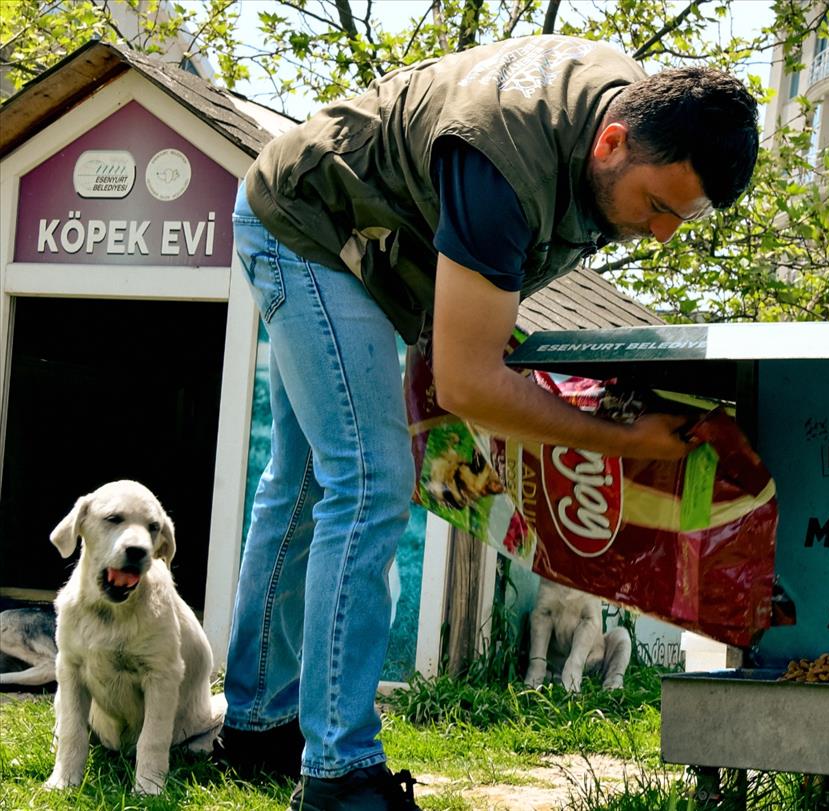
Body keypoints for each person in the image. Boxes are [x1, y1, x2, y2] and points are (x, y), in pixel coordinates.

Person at [213, 34, 758, 811]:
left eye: (684, 218)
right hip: (311, 226)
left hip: (386, 245)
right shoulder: (504, 157)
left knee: (305, 481)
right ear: (610, 143)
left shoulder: (641, 115)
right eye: (659, 208)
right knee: (367, 482)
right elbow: (470, 381)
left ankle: (259, 722)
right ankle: (339, 772)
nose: (663, 233)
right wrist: (621, 441)